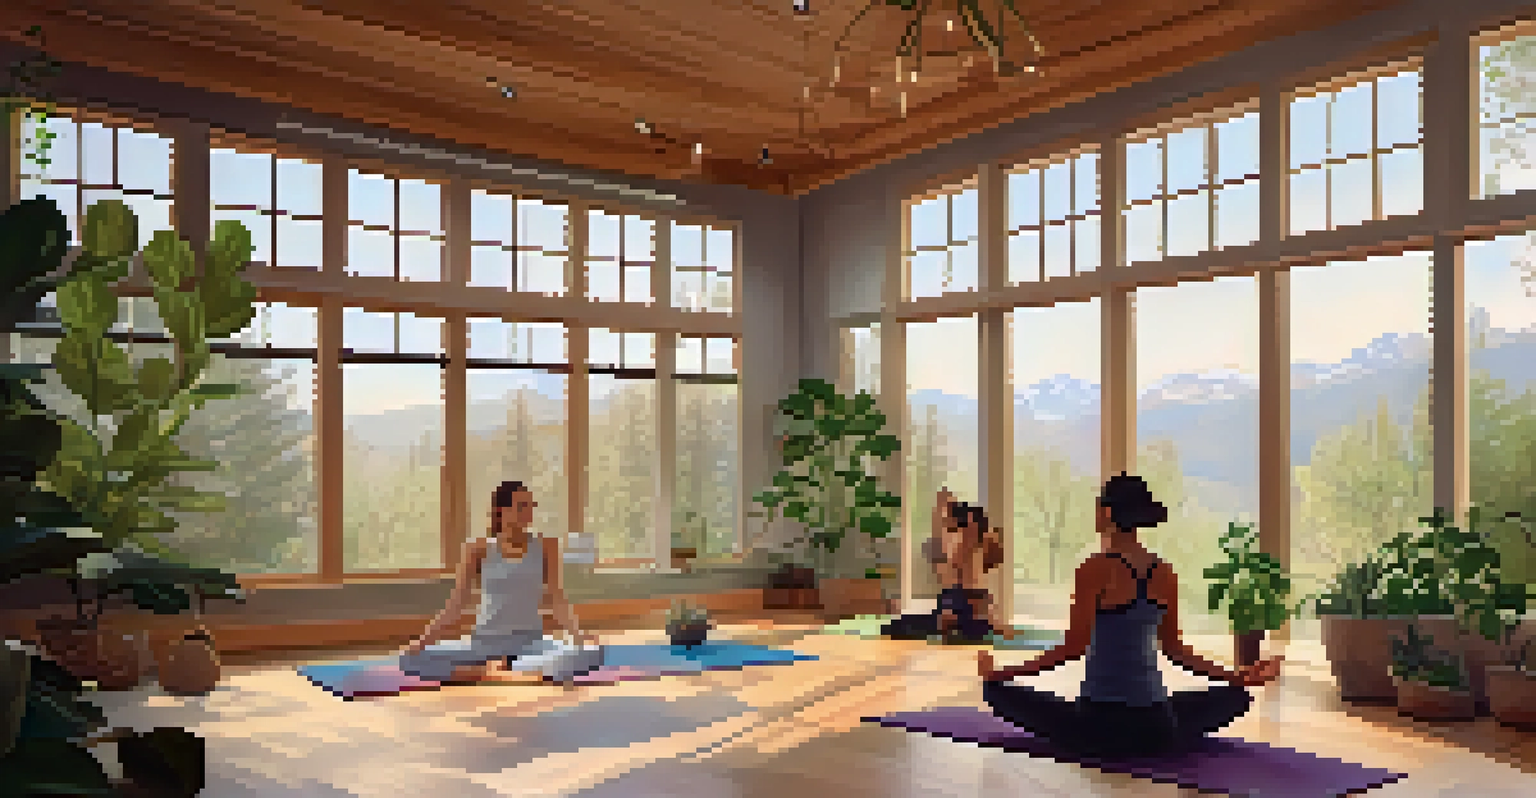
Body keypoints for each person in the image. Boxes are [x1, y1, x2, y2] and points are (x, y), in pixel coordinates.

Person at [976, 473, 1282, 759]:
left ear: (1107, 513)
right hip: (1157, 729)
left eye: (1097, 506)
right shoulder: (1164, 571)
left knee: (996, 693)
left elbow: (1072, 649)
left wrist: (1001, 674)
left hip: (1097, 729)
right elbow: (1176, 651)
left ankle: (1002, 687)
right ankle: (1181, 719)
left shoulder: (1093, 569)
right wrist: (1237, 677)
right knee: (1234, 698)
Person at [399, 480, 599, 684]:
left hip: (531, 643)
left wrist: (578, 636)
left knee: (590, 655)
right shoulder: (477, 548)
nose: (529, 512)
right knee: (409, 660)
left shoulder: (547, 546)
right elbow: (456, 603)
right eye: (522, 506)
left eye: (531, 506)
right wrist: (423, 642)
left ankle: (507, 668)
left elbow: (558, 599)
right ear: (501, 511)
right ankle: (497, 671)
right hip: (486, 642)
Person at [883, 488, 1006, 643]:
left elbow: (953, 552)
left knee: (904, 626)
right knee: (896, 626)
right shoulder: (964, 546)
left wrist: (945, 511)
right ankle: (960, 622)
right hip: (958, 601)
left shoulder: (972, 545)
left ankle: (965, 623)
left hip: (966, 603)